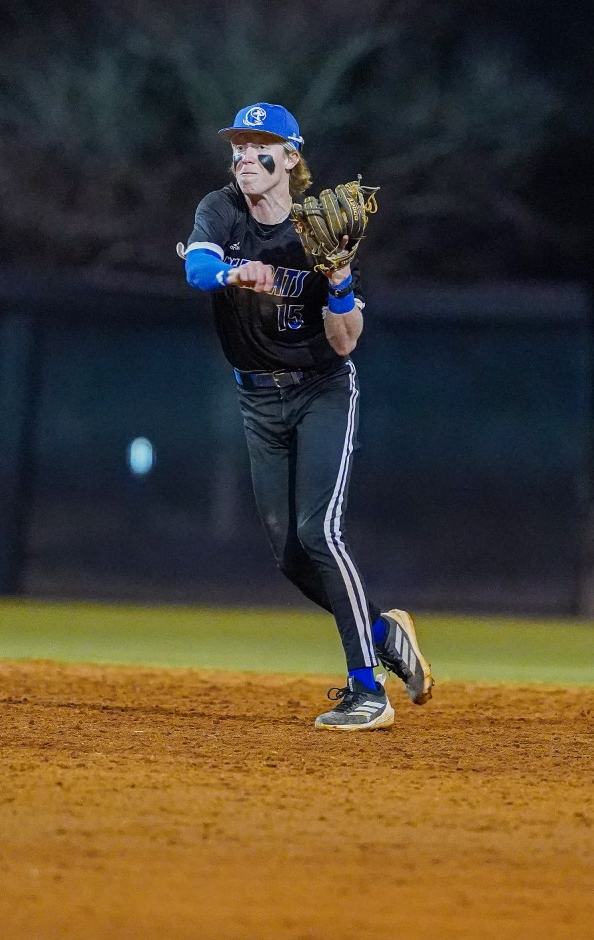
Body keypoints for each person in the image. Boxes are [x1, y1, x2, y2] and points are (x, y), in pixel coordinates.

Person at [180, 102, 432, 731]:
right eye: (238, 146)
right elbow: (197, 266)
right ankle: (382, 630)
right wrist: (238, 271)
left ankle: (367, 689)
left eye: (259, 145)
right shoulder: (222, 210)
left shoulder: (317, 230)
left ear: (290, 159)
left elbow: (346, 341)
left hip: (321, 390)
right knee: (291, 557)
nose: (244, 156)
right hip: (257, 398)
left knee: (320, 532)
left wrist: (341, 278)